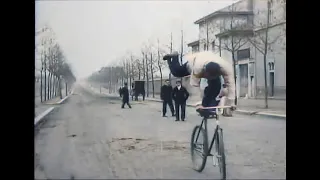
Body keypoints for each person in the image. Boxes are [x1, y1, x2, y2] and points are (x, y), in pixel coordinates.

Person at [163, 51, 236, 115]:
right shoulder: (197, 68)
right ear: (205, 71)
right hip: (193, 62)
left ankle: (207, 107)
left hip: (210, 60)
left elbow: (231, 86)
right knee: (176, 72)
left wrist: (231, 103)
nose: (209, 78)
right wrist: (198, 102)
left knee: (216, 86)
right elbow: (194, 86)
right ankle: (174, 57)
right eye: (209, 76)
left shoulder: (226, 68)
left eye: (212, 76)